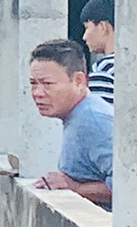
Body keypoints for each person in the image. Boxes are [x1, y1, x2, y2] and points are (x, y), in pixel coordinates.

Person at [29, 38, 114, 206]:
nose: (37, 93)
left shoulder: (93, 120)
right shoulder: (79, 115)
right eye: (33, 83)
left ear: (79, 81)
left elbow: (131, 187)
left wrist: (74, 188)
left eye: (47, 84)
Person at [79, 0, 116, 106]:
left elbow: (101, 118)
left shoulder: (103, 68)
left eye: (87, 28)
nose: (84, 37)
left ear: (102, 27)